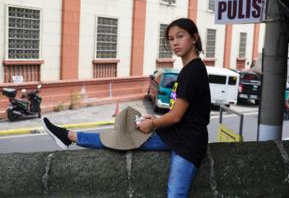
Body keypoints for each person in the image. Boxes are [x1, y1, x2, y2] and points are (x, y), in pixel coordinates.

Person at [43, 18, 211, 198]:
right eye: (170, 39)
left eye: (180, 36)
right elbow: (178, 112)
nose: (175, 43)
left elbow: (176, 116)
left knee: (175, 194)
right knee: (124, 136)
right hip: (174, 135)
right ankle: (69, 136)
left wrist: (153, 124)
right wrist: (152, 120)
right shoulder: (188, 69)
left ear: (194, 38)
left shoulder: (193, 71)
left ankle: (69, 136)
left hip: (187, 144)